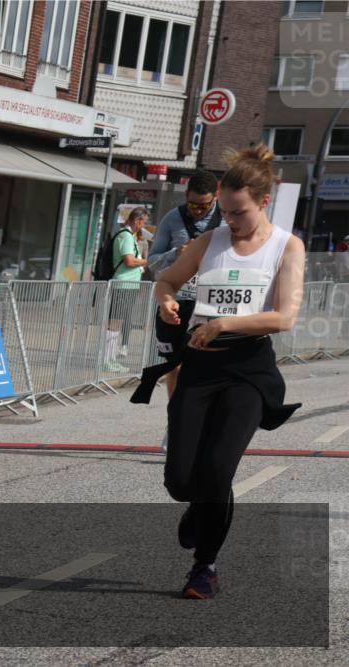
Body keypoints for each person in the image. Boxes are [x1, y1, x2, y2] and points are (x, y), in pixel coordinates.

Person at [131, 144, 305, 599]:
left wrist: (225, 323)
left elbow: (285, 318)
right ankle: (196, 505)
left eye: (238, 212)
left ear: (263, 202)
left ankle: (204, 567)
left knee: (217, 471)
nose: (230, 220)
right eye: (225, 212)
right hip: (200, 365)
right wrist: (166, 300)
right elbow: (165, 279)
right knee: (180, 480)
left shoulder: (287, 247)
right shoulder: (211, 242)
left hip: (248, 368)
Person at [147, 170, 223, 450]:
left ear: (216, 197)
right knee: (174, 366)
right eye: (192, 204)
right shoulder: (173, 218)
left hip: (211, 304)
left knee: (206, 368)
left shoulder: (227, 221)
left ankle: (204, 424)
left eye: (204, 206)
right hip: (175, 301)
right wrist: (175, 255)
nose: (197, 211)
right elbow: (152, 263)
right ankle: (176, 423)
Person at [103, 207, 149, 373]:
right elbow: (129, 261)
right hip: (123, 285)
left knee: (117, 323)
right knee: (114, 323)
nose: (143, 225)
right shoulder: (126, 236)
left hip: (127, 286)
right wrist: (144, 262)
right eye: (144, 222)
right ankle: (107, 360)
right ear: (137, 220)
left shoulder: (128, 236)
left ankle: (111, 358)